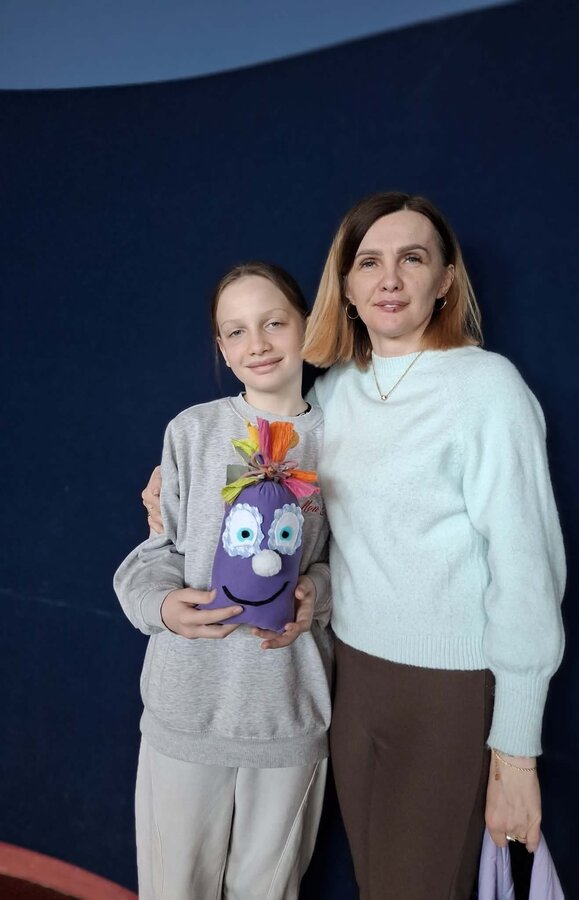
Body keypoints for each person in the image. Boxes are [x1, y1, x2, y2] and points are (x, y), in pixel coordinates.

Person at [144, 192, 566, 900]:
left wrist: (516, 754)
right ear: (343, 286)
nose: (389, 279)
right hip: (350, 682)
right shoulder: (334, 394)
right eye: (369, 262)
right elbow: (304, 527)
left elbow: (527, 571)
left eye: (412, 258)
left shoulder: (489, 391)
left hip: (447, 689)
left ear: (445, 279)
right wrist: (173, 501)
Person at [114, 262, 333, 900]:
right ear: (221, 346)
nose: (257, 344)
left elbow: (363, 564)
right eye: (236, 331)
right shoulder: (192, 431)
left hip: (287, 711)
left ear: (307, 324)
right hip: (187, 708)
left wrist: (317, 594)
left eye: (274, 323)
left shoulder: (342, 439)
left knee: (268, 889)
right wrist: (162, 605)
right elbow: (159, 551)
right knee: (173, 887)